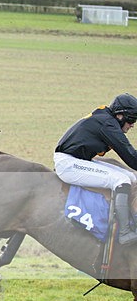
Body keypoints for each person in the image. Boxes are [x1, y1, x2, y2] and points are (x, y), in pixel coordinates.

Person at [54, 93, 137, 245]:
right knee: (121, 180)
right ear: (120, 116)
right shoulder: (108, 125)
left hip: (77, 159)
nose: (132, 125)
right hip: (68, 164)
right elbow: (131, 157)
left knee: (132, 178)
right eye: (131, 120)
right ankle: (125, 232)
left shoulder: (107, 118)